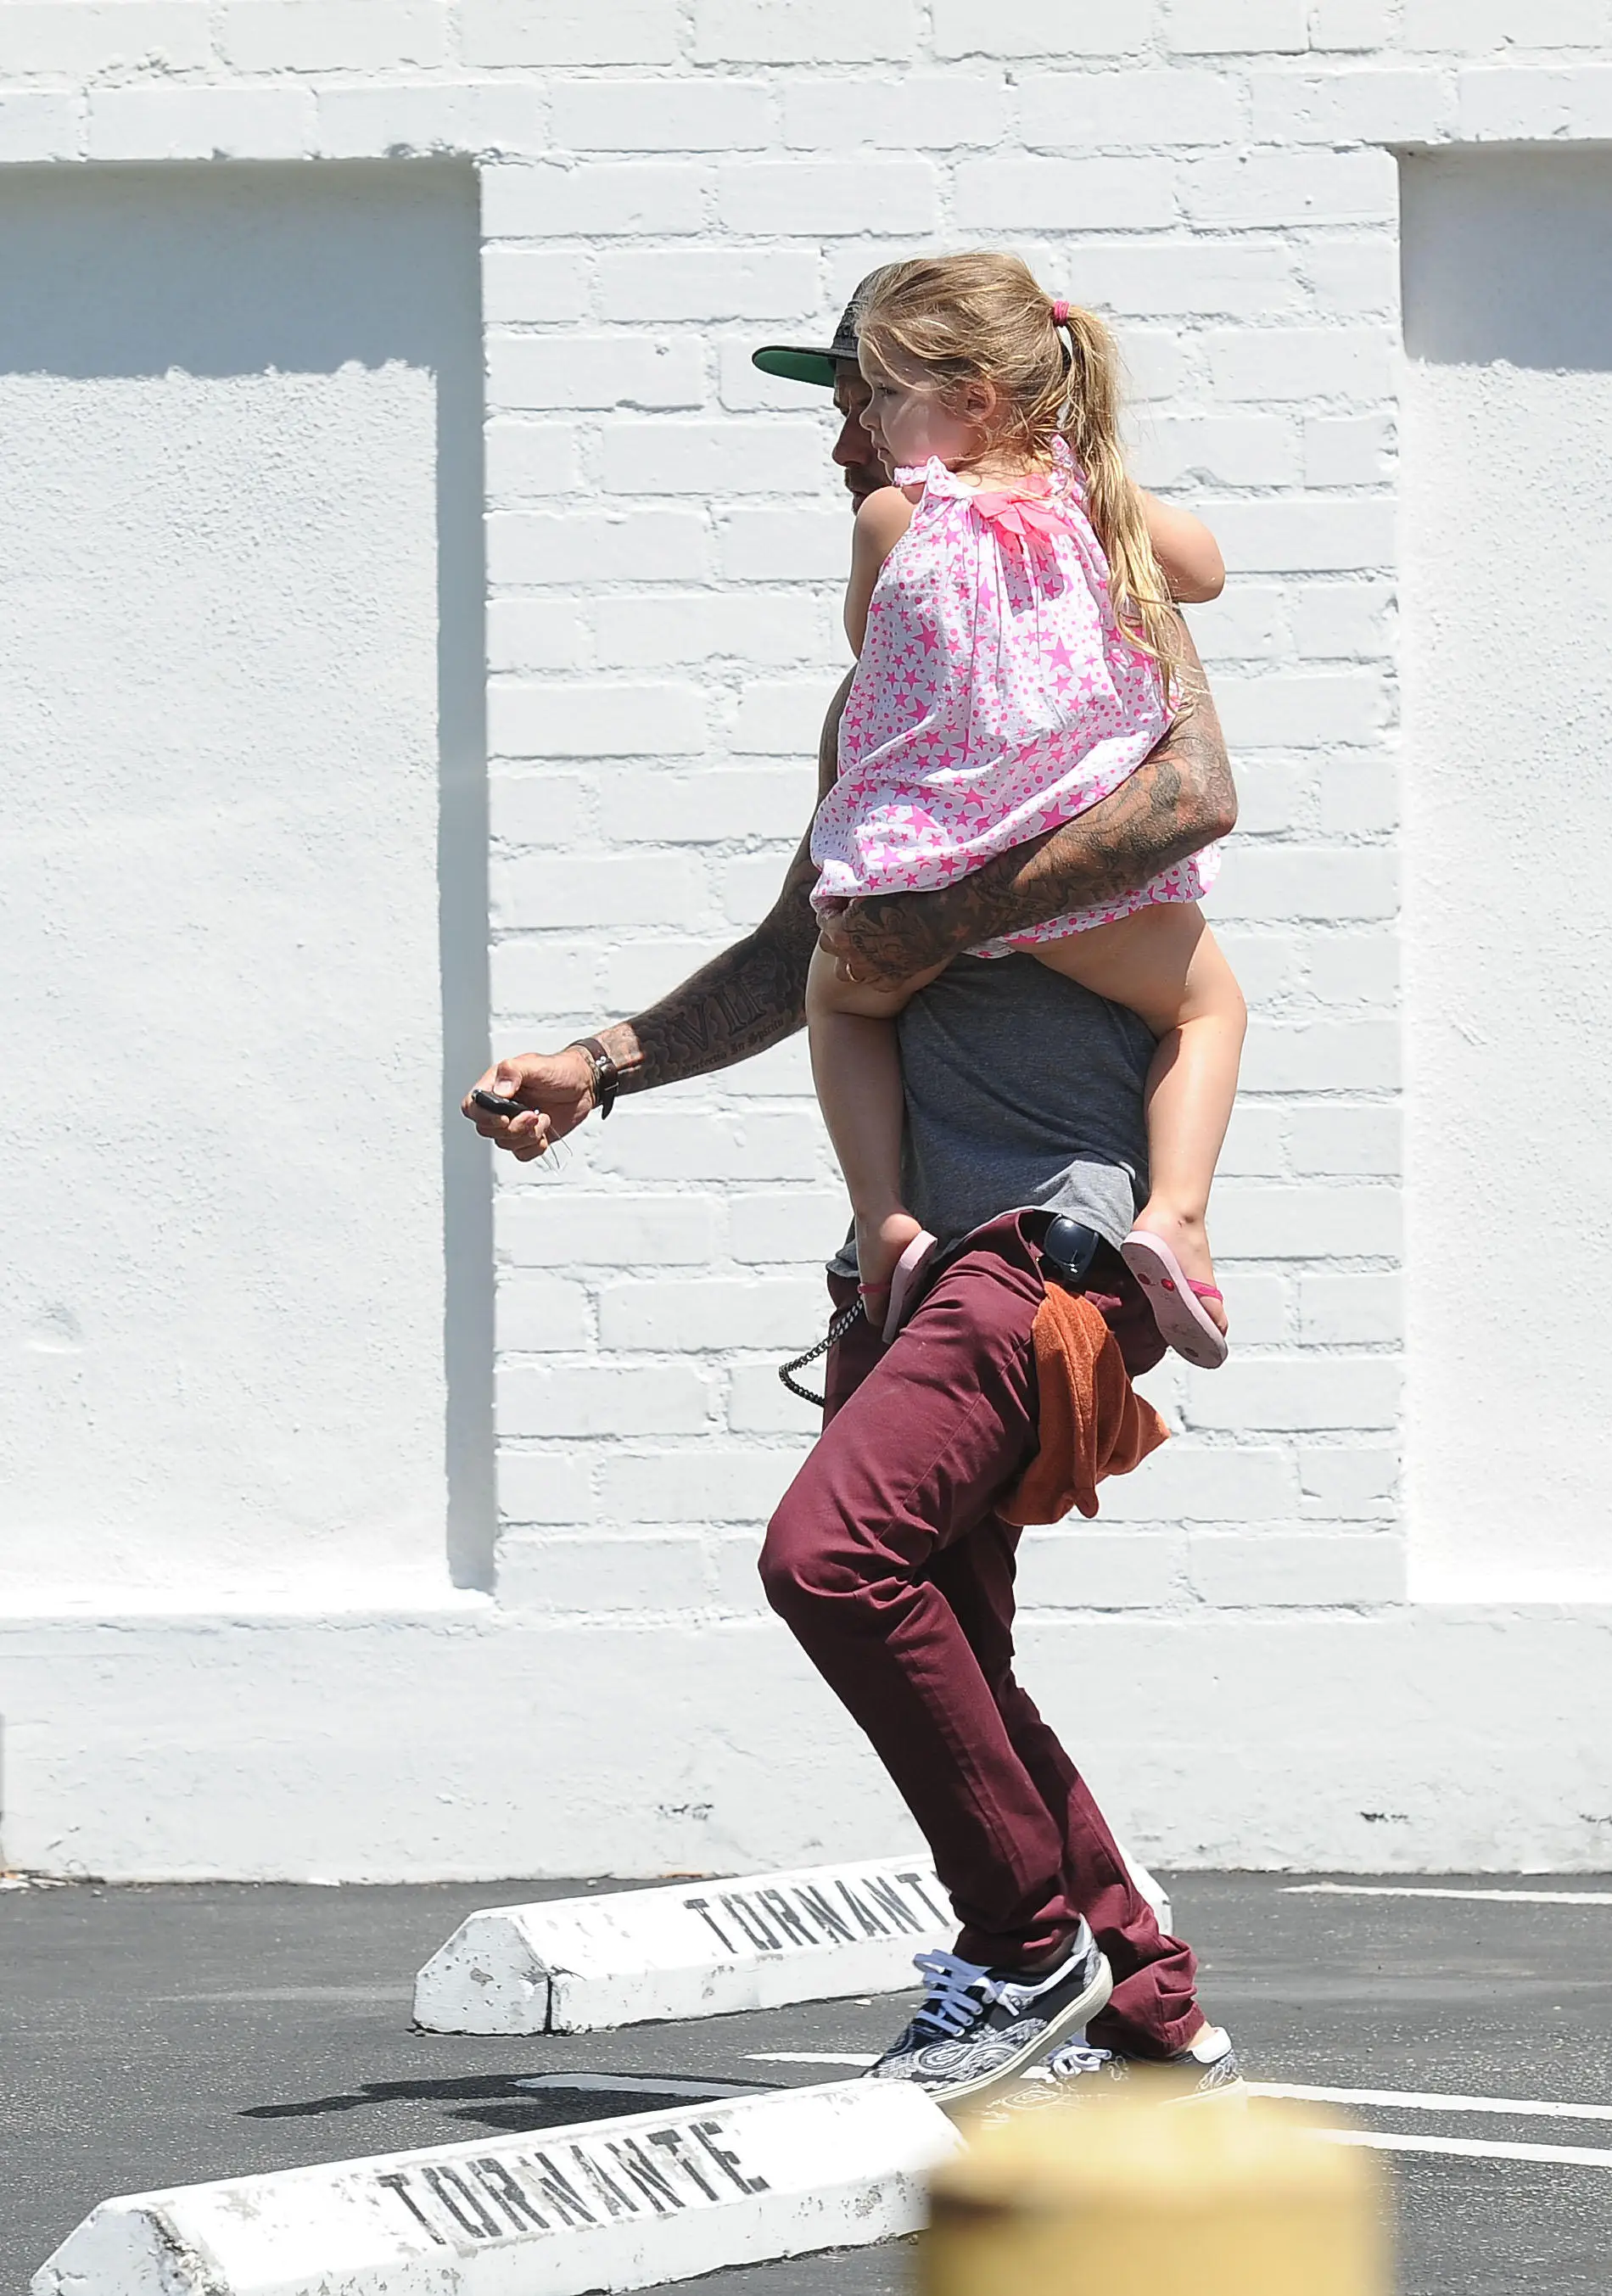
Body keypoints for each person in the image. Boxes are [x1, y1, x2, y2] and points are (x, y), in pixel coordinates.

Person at [463, 272, 1244, 2099]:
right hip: (915, 1255)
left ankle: (1024, 1949)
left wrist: (930, 919)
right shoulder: (894, 712)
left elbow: (1193, 801)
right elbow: (803, 948)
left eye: (861, 397)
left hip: (1047, 1234)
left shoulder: (1105, 610)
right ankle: (1142, 2003)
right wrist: (601, 1062)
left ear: (974, 397)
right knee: (950, 1635)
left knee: (828, 1559)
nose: (840, 438)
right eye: (831, 402)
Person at [809, 255, 1245, 1371]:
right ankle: (1177, 1215)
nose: (868, 420)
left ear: (972, 397)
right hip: (1068, 874)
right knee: (1206, 1008)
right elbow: (1204, 571)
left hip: (913, 877)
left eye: (884, 393)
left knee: (842, 1004)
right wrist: (1099, 492)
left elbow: (869, 647)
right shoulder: (1093, 508)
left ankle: (883, 1222)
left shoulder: (893, 519)